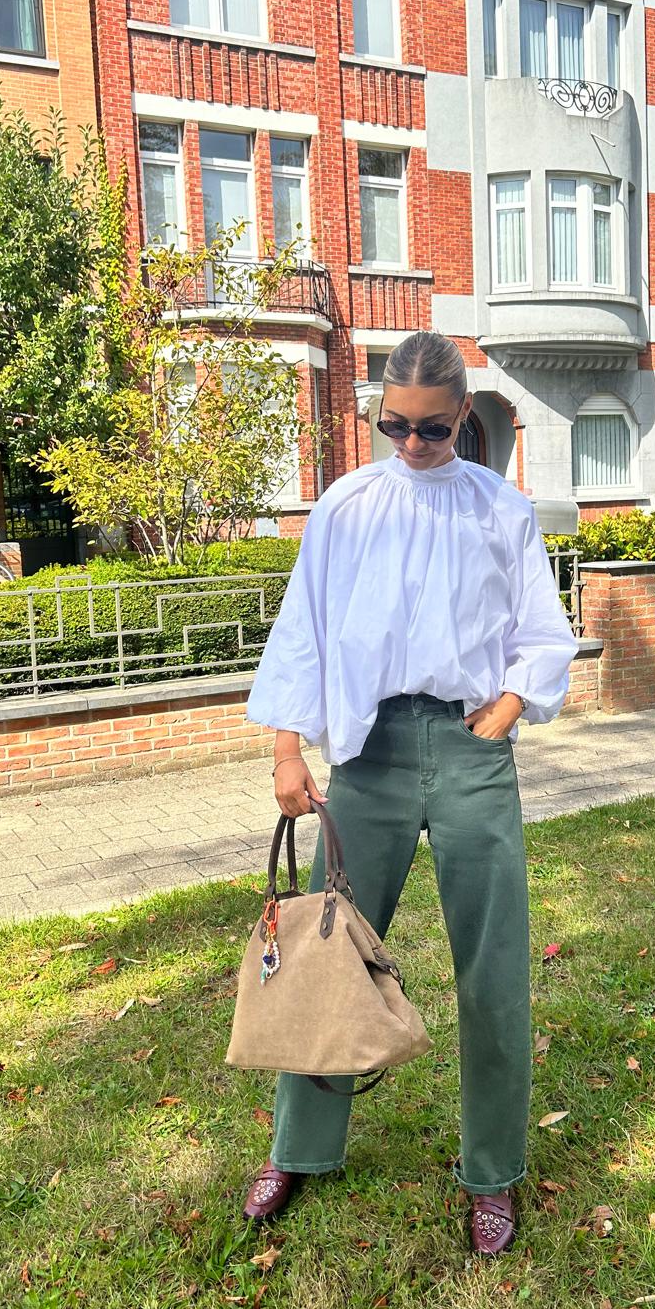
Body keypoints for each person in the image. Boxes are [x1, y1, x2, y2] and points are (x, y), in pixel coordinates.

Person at [240, 330, 579, 1255]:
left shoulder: (500, 511)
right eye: (394, 425)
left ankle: (492, 1172)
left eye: (431, 429)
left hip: (470, 746)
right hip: (370, 752)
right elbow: (301, 630)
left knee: (493, 966)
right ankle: (298, 1148)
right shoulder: (347, 507)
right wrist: (285, 751)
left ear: (462, 418)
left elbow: (544, 633)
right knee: (326, 953)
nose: (413, 444)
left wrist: (506, 711)